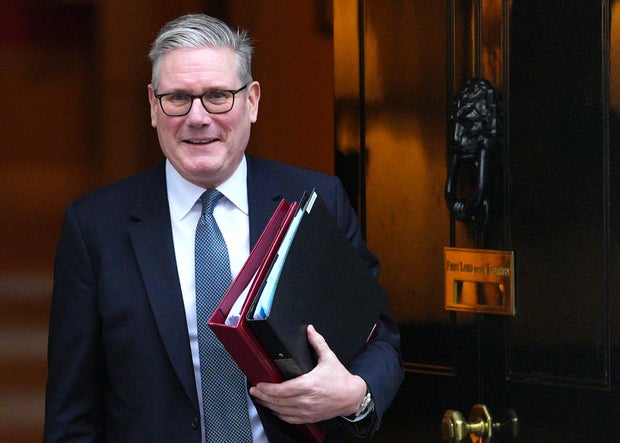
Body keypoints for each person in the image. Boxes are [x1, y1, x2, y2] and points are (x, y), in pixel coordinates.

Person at [44, 13, 403, 443]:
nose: (197, 117)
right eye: (178, 98)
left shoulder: (316, 199)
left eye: (217, 96)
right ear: (153, 106)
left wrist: (356, 396)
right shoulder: (95, 228)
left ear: (252, 101)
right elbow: (72, 410)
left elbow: (379, 338)